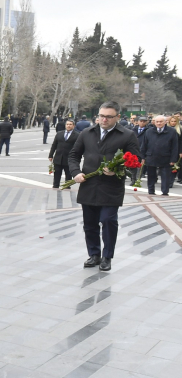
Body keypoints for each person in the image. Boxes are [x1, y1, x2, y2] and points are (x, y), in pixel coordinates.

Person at [68, 101, 140, 272]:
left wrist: (117, 170)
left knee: (108, 221)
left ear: (118, 117)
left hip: (111, 187)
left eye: (109, 116)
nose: (104, 119)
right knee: (90, 224)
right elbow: (73, 155)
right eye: (101, 116)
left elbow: (135, 160)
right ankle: (94, 254)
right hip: (89, 185)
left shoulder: (127, 135)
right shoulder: (86, 133)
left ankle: (107, 256)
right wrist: (76, 172)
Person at [143, 115, 179, 196]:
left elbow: (175, 146)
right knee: (151, 175)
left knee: (165, 176)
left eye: (161, 121)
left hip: (165, 157)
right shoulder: (149, 131)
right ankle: (151, 191)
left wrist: (173, 159)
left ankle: (165, 192)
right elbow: (144, 145)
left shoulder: (172, 131)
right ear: (154, 122)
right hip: (151, 156)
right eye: (157, 122)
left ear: (165, 122)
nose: (159, 123)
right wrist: (143, 157)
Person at [48, 120, 78, 189]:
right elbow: (54, 145)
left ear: (73, 126)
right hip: (58, 158)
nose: (68, 126)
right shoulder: (59, 133)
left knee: (68, 174)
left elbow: (78, 148)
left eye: (70, 124)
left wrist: (76, 158)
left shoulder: (77, 135)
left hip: (69, 159)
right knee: (57, 173)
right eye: (67, 124)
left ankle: (67, 186)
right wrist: (50, 155)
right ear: (65, 125)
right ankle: (55, 186)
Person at [128, 117, 151, 186]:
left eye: (144, 121)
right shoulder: (133, 129)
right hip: (134, 150)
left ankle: (137, 179)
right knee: (133, 166)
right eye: (141, 121)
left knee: (140, 166)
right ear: (137, 122)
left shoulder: (148, 130)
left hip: (143, 150)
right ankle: (133, 179)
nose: (142, 123)